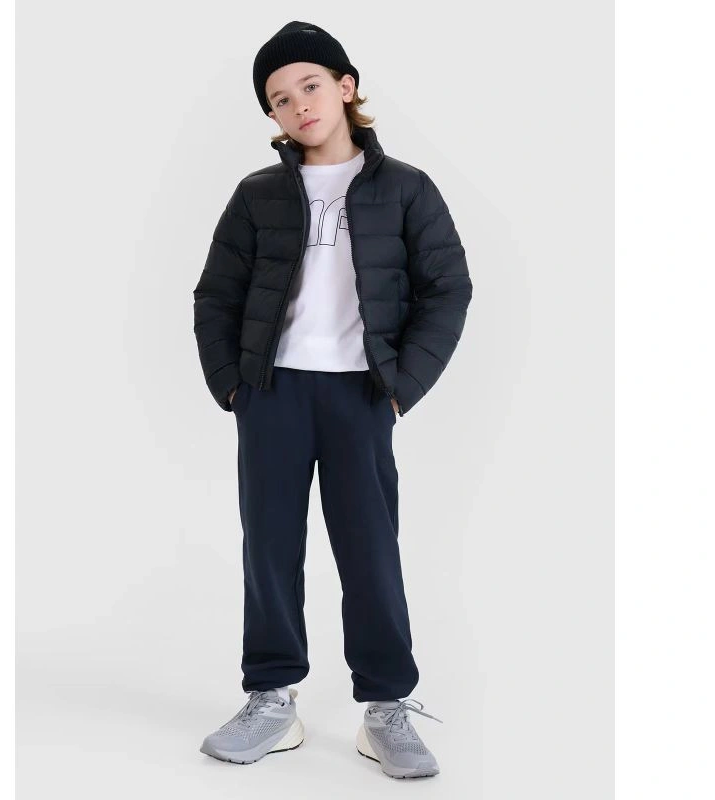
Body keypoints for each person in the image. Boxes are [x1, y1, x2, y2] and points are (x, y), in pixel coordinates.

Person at [193, 21, 472, 779]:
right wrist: (232, 385)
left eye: (310, 85)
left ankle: (385, 708)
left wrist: (401, 390)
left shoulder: (406, 188)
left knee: (370, 550)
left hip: (361, 394)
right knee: (269, 548)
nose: (299, 105)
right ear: (273, 116)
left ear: (346, 87)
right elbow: (217, 294)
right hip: (272, 393)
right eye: (280, 99)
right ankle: (272, 699)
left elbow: (448, 289)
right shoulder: (257, 195)